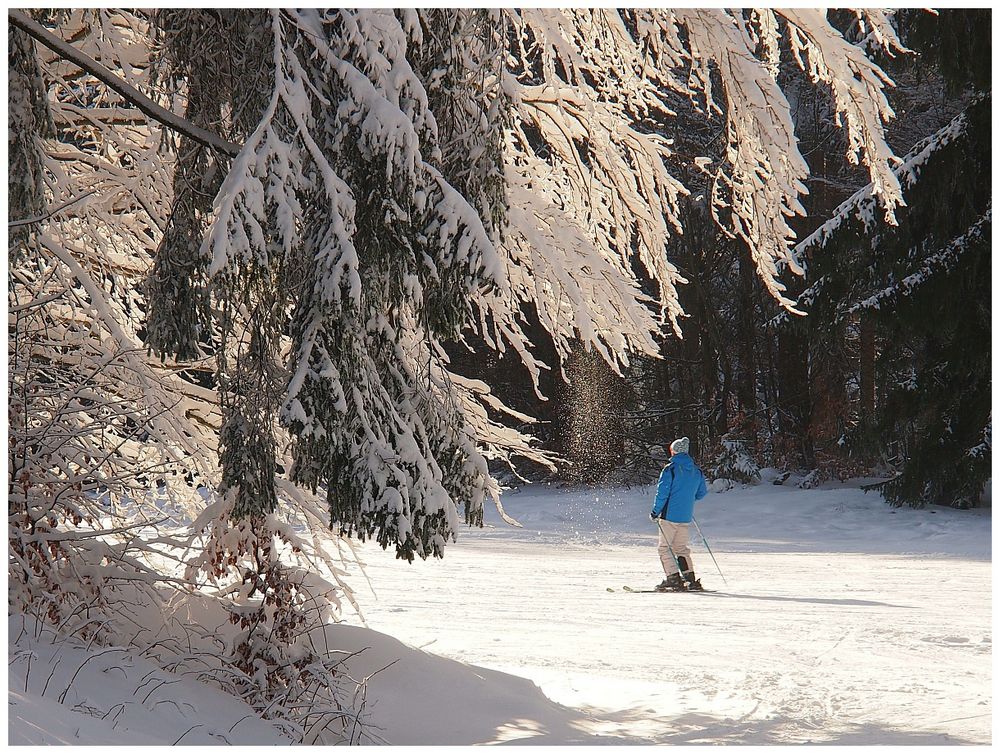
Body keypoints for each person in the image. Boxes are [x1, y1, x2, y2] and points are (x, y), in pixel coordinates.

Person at [650, 437, 708, 591]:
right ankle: (690, 578)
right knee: (681, 548)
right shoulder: (696, 471)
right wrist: (686, 499)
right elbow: (701, 493)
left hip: (669, 516)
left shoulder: (671, 469)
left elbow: (662, 493)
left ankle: (673, 578)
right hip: (685, 516)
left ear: (673, 451)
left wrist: (655, 511)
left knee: (664, 548)